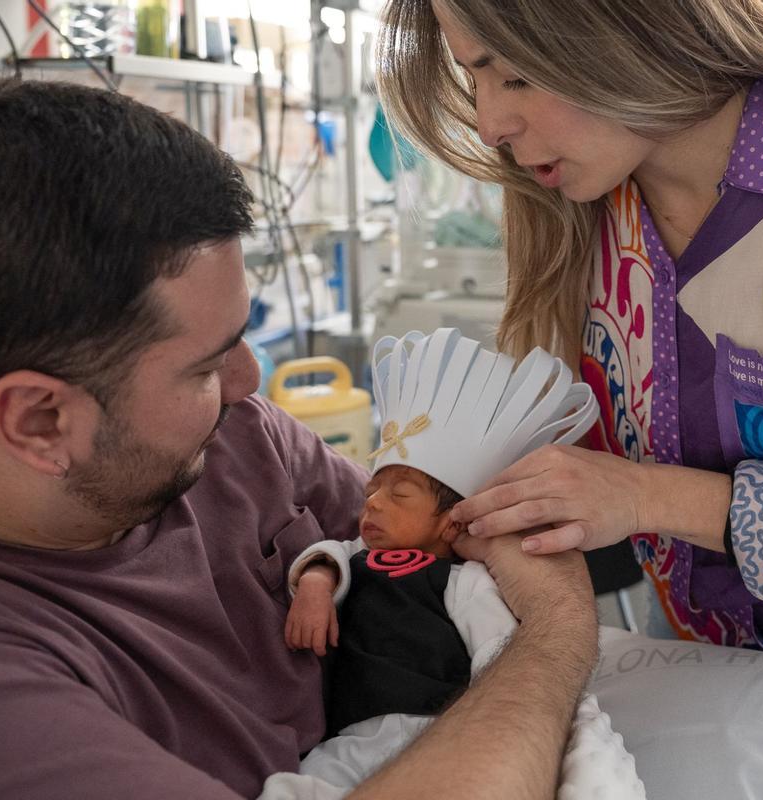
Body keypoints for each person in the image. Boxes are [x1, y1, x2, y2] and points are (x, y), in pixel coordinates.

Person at [0, 80, 599, 799]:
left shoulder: (227, 446)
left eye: (241, 336)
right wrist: (557, 630)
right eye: (202, 366)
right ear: (41, 420)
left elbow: (419, 546)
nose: (248, 384)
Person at [375, 0, 763, 793]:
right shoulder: (592, 201)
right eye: (474, 77)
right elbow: (606, 442)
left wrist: (642, 495)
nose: (490, 123)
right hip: (700, 662)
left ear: (631, 30)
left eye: (515, 74)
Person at [273, 329, 641, 800]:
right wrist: (315, 589)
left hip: (442, 725)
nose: (374, 506)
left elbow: (499, 650)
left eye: (399, 495)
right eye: (371, 495)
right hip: (353, 730)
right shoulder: (355, 559)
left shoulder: (463, 582)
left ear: (451, 524)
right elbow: (326, 557)